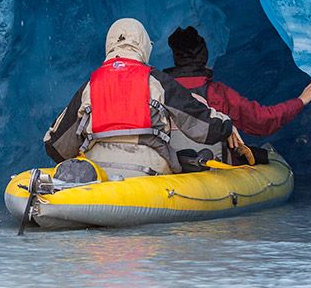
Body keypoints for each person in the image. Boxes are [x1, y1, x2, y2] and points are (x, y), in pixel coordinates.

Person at [43, 18, 233, 178]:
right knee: (188, 155)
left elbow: (55, 146)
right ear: (144, 45)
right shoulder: (157, 81)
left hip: (99, 172)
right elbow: (205, 128)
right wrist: (226, 125)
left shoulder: (91, 85)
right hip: (150, 169)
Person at [164, 26, 311, 163]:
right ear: (204, 57)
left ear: (175, 58)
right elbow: (261, 120)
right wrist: (300, 101)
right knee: (261, 155)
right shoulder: (218, 93)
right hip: (216, 164)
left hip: (173, 164)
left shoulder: (159, 89)